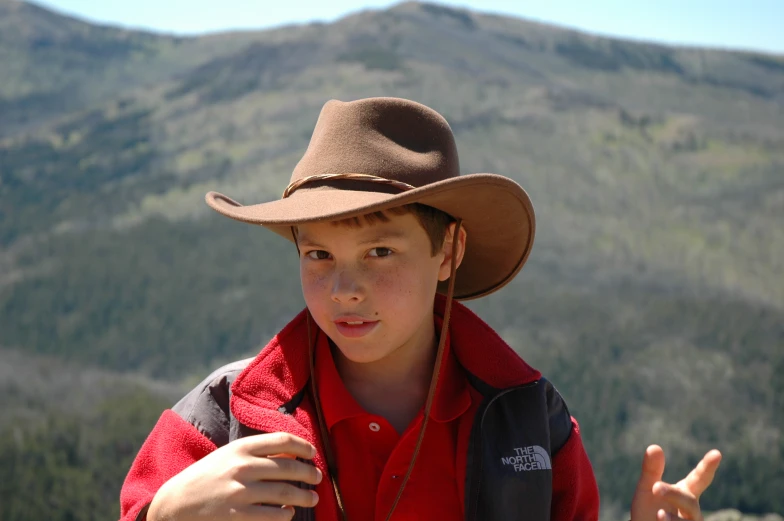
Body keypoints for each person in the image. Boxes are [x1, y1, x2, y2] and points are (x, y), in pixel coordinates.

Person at [119, 97, 722, 521]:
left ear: (448, 251)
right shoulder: (219, 417)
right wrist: (166, 514)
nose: (344, 289)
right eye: (320, 254)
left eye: (380, 251)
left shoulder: (533, 422)